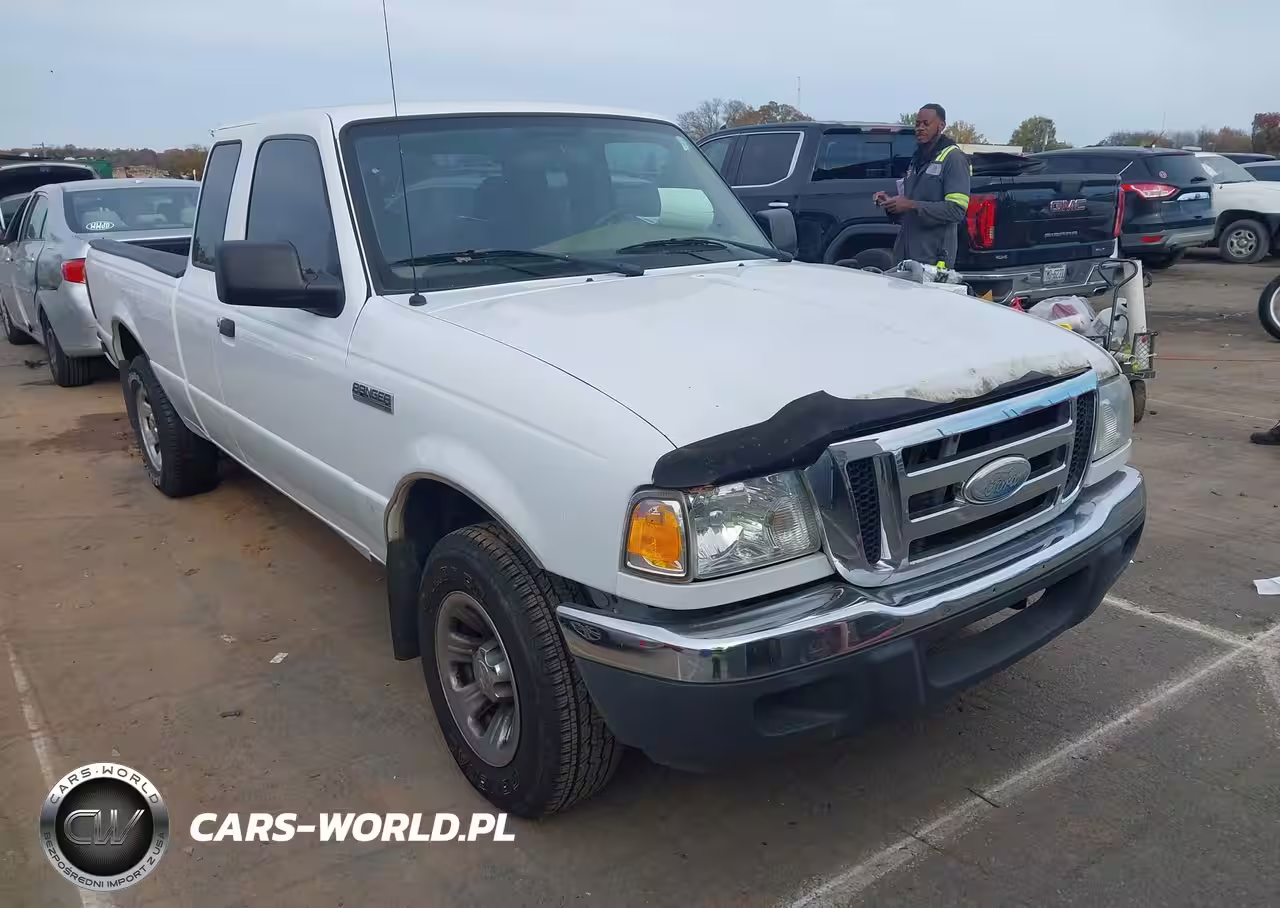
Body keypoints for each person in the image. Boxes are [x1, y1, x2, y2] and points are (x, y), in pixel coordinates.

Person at [874, 104, 971, 270]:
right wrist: (891, 204)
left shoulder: (954, 159)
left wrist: (911, 205)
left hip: (934, 259)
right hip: (905, 257)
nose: (920, 128)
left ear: (941, 126)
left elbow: (957, 211)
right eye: (917, 124)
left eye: (926, 124)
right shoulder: (917, 160)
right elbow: (909, 209)